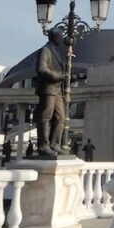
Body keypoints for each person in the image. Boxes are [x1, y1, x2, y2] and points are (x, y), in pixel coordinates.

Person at [34, 27, 68, 157]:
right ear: (54, 37)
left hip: (58, 89)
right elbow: (41, 69)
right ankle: (43, 145)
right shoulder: (45, 50)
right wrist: (56, 76)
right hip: (48, 88)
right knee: (45, 117)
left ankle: (55, 144)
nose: (61, 38)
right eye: (60, 36)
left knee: (61, 118)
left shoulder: (56, 51)